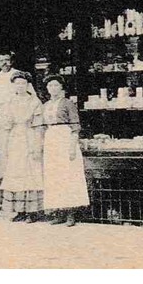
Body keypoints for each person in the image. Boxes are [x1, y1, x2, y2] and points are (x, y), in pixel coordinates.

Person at [41, 75, 89, 226]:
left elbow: (75, 126)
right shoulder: (46, 105)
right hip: (51, 139)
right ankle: (59, 212)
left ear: (61, 87)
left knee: (68, 175)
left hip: (65, 137)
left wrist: (72, 147)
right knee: (55, 175)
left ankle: (71, 214)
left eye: (56, 85)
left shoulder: (68, 103)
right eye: (50, 86)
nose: (53, 88)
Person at [0, 72, 44, 222]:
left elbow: (38, 126)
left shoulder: (34, 102)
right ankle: (19, 211)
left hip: (30, 136)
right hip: (14, 139)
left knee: (31, 172)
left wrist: (37, 145)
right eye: (17, 83)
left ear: (27, 85)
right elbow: (5, 124)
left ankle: (32, 212)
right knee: (15, 172)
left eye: (23, 83)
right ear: (13, 85)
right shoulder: (9, 102)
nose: (20, 86)